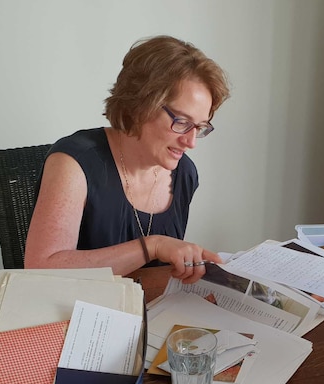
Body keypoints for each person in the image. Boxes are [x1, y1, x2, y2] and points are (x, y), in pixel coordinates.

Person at [25, 35, 230, 283]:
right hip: (75, 313)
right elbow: (41, 268)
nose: (191, 142)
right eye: (182, 122)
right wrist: (151, 246)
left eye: (200, 127)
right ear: (140, 105)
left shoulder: (184, 172)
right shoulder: (74, 163)